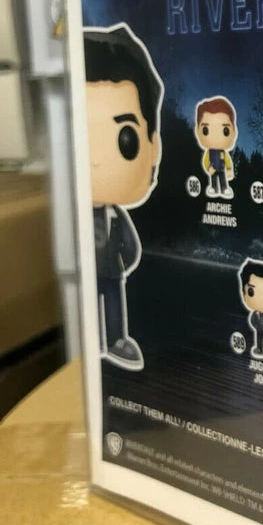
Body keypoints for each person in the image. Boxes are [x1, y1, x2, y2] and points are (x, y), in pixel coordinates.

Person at [85, 24, 163, 372]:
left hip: (111, 271)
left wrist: (122, 263)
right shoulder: (75, 216)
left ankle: (117, 340)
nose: (94, 160)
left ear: (153, 148)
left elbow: (131, 246)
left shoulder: (116, 215)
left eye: (125, 140)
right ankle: (95, 342)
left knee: (114, 305)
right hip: (90, 271)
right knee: (89, 307)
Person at [195, 96, 237, 198]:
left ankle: (224, 189)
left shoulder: (223, 152)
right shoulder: (209, 152)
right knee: (213, 180)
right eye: (205, 130)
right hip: (213, 169)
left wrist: (229, 169)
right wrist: (208, 168)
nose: (216, 136)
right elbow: (205, 161)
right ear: (197, 131)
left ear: (234, 132)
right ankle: (214, 188)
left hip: (221, 169)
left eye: (225, 131)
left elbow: (227, 160)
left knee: (222, 180)